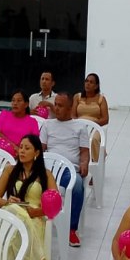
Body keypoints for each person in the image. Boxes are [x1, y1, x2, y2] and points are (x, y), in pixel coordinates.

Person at [39, 92, 90, 248]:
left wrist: (84, 163)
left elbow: (84, 151)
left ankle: (71, 229)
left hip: (69, 169)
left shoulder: (80, 126)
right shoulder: (48, 124)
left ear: (69, 108)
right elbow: (40, 149)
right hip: (48, 168)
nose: (56, 108)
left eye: (60, 106)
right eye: (55, 104)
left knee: (77, 186)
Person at [74, 72, 109, 160]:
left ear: (96, 86)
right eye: (86, 81)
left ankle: (97, 162)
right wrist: (79, 124)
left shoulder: (101, 99)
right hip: (79, 125)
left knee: (94, 139)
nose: (88, 84)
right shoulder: (77, 97)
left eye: (91, 82)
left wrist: (93, 124)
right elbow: (72, 115)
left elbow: (105, 119)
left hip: (96, 126)